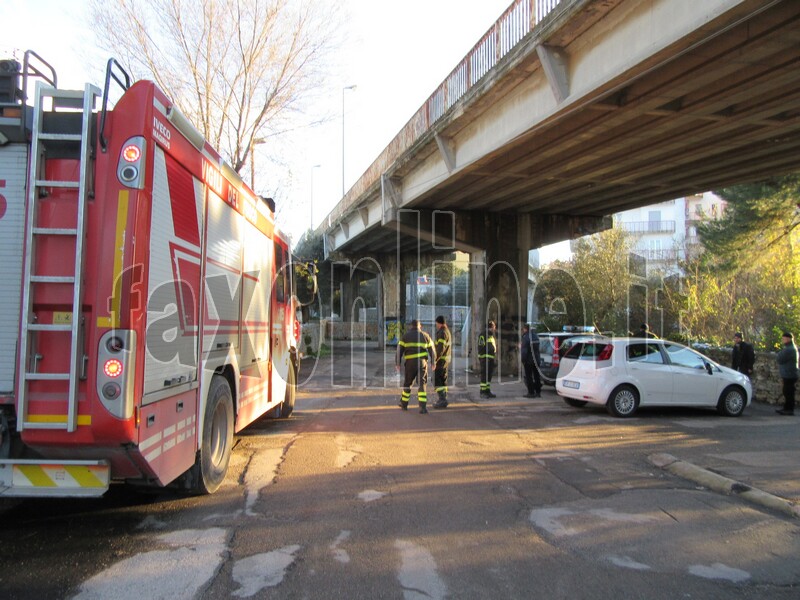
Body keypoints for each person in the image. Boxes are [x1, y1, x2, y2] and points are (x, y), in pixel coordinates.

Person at [396, 320, 436, 414]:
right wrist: (433, 362)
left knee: (408, 383)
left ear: (411, 326)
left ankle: (404, 404)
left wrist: (397, 363)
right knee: (422, 384)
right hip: (422, 363)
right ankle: (423, 407)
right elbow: (432, 350)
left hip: (410, 363)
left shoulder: (405, 336)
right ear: (420, 326)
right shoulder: (425, 335)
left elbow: (399, 350)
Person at [775, 331, 798, 416]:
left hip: (790, 374)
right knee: (787, 392)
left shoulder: (790, 349)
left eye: (783, 338)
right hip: (788, 374)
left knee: (788, 392)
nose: (782, 340)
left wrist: (779, 353)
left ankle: (789, 409)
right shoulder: (789, 348)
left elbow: (779, 359)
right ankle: (786, 408)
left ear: (788, 339)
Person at [433, 315, 452, 409]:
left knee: (437, 380)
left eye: (436, 323)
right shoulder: (446, 331)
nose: (436, 325)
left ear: (439, 323)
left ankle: (442, 399)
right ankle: (443, 399)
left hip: (441, 361)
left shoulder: (442, 333)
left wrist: (435, 360)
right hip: (445, 361)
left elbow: (440, 348)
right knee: (443, 380)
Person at [520, 324, 542, 398]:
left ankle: (531, 392)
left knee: (529, 376)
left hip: (528, 360)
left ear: (525, 329)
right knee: (537, 376)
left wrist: (523, 360)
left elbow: (524, 351)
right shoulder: (536, 336)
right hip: (536, 360)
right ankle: (538, 392)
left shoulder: (525, 337)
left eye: (523, 329)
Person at [478, 320, 497, 398]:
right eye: (494, 327)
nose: (495, 328)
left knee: (489, 376)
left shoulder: (491, 335)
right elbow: (481, 346)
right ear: (491, 327)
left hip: (490, 358)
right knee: (484, 376)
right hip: (485, 358)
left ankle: (487, 391)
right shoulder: (483, 335)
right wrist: (483, 357)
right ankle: (482, 392)